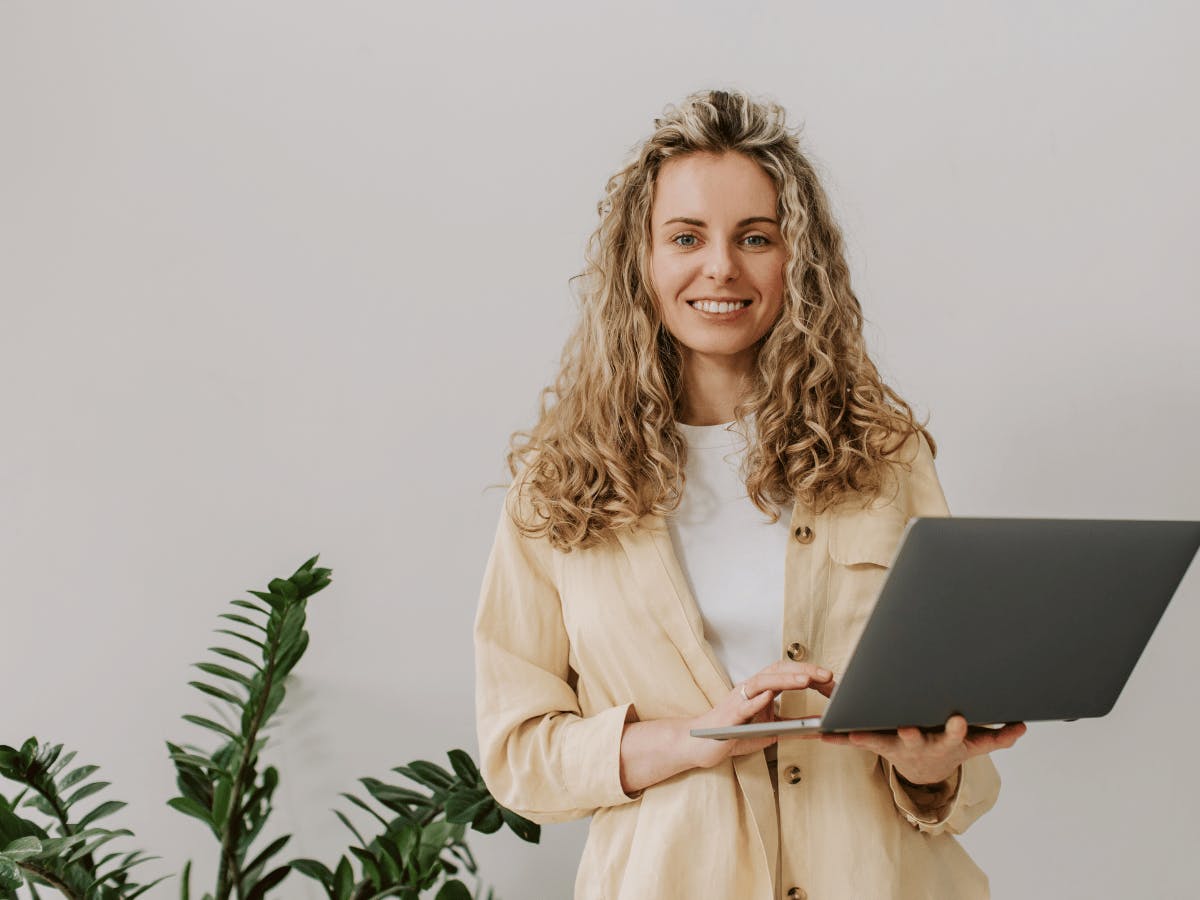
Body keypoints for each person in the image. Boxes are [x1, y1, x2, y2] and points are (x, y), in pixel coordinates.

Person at [473, 88, 1026, 900]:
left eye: (755, 237)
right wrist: (692, 741)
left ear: (796, 260)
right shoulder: (561, 483)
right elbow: (517, 755)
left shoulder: (883, 456)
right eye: (686, 237)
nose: (721, 267)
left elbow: (951, 722)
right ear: (643, 260)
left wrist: (932, 770)